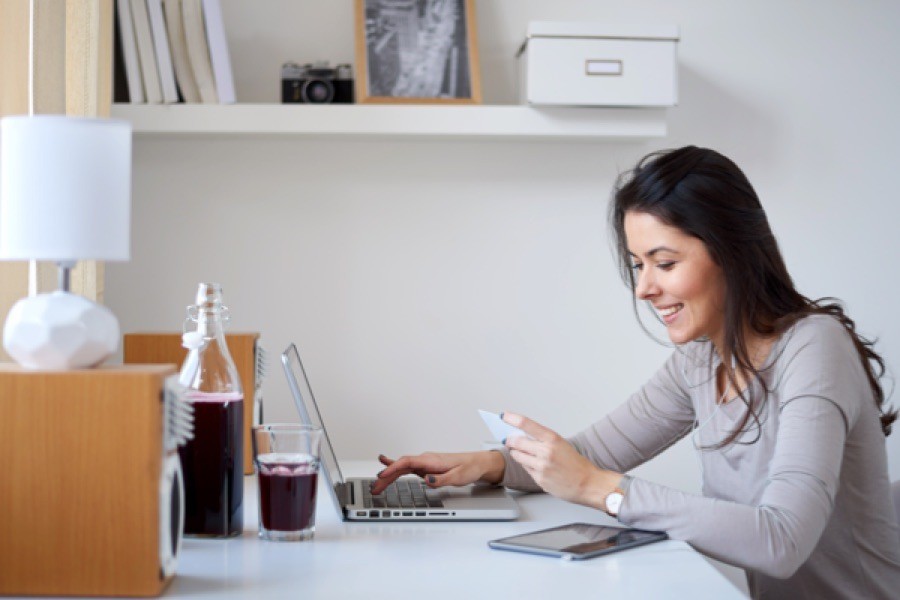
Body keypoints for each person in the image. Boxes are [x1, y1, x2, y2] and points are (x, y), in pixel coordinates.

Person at [370, 146, 900, 599]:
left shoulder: (814, 348)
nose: (644, 288)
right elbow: (592, 456)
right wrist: (479, 465)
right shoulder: (702, 358)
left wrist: (600, 489)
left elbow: (779, 541)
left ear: (733, 253)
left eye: (664, 263)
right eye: (637, 265)